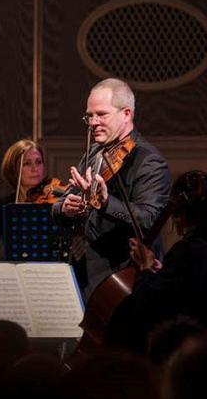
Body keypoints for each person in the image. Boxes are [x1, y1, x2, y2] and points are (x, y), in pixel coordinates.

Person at [52, 78, 170, 300]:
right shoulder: (93, 153)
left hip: (123, 280)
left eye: (101, 114)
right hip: (84, 275)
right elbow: (61, 204)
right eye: (89, 115)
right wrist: (65, 208)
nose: (93, 122)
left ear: (126, 114)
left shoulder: (149, 161)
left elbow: (150, 219)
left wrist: (106, 203)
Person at [108, 171, 207, 352]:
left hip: (175, 358)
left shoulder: (184, 252)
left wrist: (144, 268)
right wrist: (163, 272)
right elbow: (183, 293)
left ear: (180, 214)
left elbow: (145, 310)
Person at [0, 138, 60, 260]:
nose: (35, 169)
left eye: (39, 162)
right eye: (27, 163)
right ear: (13, 169)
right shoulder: (1, 208)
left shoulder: (57, 202)